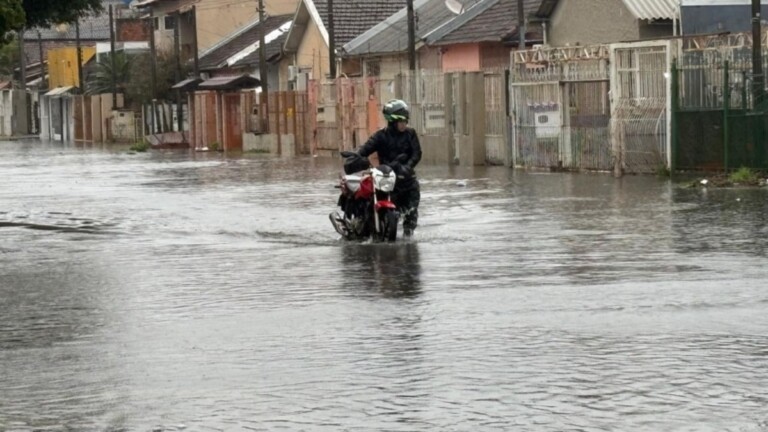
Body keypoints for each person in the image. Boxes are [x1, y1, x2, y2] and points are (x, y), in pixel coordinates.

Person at [356, 99, 422, 237]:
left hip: (408, 181)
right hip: (388, 181)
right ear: (392, 121)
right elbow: (365, 149)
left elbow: (417, 153)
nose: (404, 124)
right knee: (382, 209)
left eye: (406, 121)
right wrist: (355, 156)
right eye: (402, 121)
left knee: (411, 213)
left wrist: (407, 167)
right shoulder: (380, 136)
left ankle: (408, 239)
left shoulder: (411, 134)